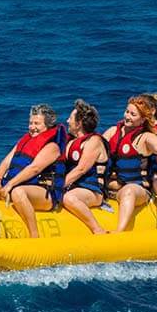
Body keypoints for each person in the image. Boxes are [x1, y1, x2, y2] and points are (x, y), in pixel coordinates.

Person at [0, 104, 64, 238]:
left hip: (44, 193)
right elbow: (6, 161)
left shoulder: (52, 147)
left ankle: (34, 235)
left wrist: (9, 185)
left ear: (47, 125)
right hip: (15, 185)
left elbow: (34, 169)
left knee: (18, 192)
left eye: (37, 123)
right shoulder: (24, 141)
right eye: (30, 123)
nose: (32, 127)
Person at [102, 95, 157, 233]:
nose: (127, 116)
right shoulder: (112, 131)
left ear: (142, 120)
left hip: (138, 189)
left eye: (133, 114)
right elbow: (97, 144)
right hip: (114, 186)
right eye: (127, 112)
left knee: (134, 189)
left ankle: (119, 232)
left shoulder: (145, 137)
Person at [59, 99, 109, 234]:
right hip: (72, 187)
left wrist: (58, 186)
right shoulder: (70, 141)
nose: (67, 121)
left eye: (70, 118)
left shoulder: (94, 141)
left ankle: (97, 229)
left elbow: (81, 169)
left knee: (69, 198)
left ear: (79, 123)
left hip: (93, 191)